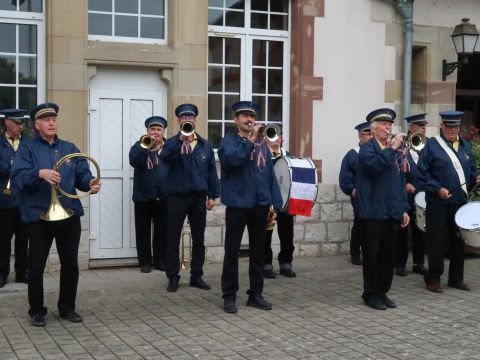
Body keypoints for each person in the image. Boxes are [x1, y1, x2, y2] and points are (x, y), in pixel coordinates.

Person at [11, 102, 101, 327]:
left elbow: (82, 176)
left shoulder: (70, 147)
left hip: (68, 215)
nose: (52, 122)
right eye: (46, 119)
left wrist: (90, 183)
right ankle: (37, 310)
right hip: (39, 216)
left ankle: (67, 307)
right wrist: (39, 173)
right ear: (37, 124)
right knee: (37, 266)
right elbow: (19, 178)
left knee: (70, 263)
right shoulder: (27, 148)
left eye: (54, 118)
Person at [219, 101, 283, 314]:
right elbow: (231, 160)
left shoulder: (263, 145)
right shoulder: (229, 141)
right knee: (232, 252)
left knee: (258, 252)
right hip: (238, 205)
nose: (249, 119)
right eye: (244, 116)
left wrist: (274, 202)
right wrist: (252, 140)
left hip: (260, 205)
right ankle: (229, 295)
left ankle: (256, 294)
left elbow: (268, 174)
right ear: (235, 120)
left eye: (252, 116)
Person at [417, 110, 479, 293]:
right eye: (449, 126)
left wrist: (475, 178)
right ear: (442, 126)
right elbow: (421, 173)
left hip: (460, 201)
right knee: (436, 241)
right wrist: (437, 188)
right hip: (437, 202)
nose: (453, 130)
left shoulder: (465, 145)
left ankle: (455, 278)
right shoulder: (432, 145)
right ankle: (433, 278)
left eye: (456, 127)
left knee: (458, 240)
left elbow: (470, 170)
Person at [160, 103, 219, 292]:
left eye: (190, 117)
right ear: (179, 120)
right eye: (184, 117)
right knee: (172, 238)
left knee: (199, 238)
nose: (187, 119)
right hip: (177, 197)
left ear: (195, 119)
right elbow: (164, 159)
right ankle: (172, 276)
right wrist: (179, 141)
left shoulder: (204, 145)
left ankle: (196, 276)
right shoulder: (171, 143)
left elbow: (211, 171)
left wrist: (213, 195)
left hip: (198, 197)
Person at [356, 108, 410, 310]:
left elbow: (399, 182)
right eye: (384, 124)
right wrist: (392, 148)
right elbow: (374, 168)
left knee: (389, 256)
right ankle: (370, 294)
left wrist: (403, 208)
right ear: (374, 128)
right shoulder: (367, 149)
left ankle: (382, 291)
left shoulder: (393, 152)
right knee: (372, 256)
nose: (388, 128)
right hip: (373, 213)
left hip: (392, 212)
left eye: (390, 124)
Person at [129, 116, 169, 273]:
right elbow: (134, 161)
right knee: (142, 231)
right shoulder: (139, 146)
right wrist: (145, 147)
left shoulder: (169, 147)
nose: (155, 132)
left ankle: (160, 260)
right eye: (152, 129)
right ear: (147, 131)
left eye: (158, 130)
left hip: (164, 196)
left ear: (163, 131)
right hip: (142, 196)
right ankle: (145, 262)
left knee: (162, 231)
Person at [395, 113, 428, 277]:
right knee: (402, 230)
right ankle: (400, 264)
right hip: (405, 195)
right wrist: (405, 184)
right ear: (411, 127)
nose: (423, 128)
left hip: (422, 193)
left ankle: (419, 263)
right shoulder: (402, 145)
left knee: (420, 229)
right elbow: (395, 169)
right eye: (420, 125)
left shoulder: (426, 145)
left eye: (424, 125)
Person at [0, 109, 29, 287]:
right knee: (3, 240)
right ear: (7, 122)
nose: (21, 126)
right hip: (4, 200)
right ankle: (2, 273)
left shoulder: (28, 143)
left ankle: (21, 272)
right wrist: (14, 166)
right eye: (17, 123)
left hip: (24, 199)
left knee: (23, 239)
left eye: (22, 123)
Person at [263, 127, 296, 278]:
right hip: (268, 200)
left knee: (287, 234)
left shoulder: (287, 156)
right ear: (265, 138)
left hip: (285, 201)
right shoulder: (261, 155)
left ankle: (285, 263)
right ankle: (266, 264)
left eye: (279, 135)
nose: (276, 138)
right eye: (272, 135)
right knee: (266, 234)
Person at [339, 121, 372, 266]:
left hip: (375, 195)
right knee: (360, 224)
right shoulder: (352, 154)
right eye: (367, 134)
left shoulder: (377, 153)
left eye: (372, 134)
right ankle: (355, 253)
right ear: (360, 135)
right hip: (359, 195)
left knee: (372, 225)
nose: (371, 137)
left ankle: (370, 252)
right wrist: (352, 189)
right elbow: (345, 177)